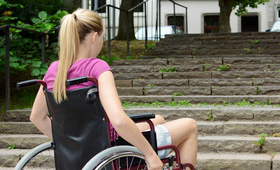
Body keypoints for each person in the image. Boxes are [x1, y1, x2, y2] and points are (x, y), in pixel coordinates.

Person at [29, 8, 197, 170]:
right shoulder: (96, 67)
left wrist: (71, 144)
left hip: (90, 145)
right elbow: (118, 121)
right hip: (111, 146)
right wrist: (150, 155)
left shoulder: (53, 70)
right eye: (103, 37)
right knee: (190, 125)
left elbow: (37, 117)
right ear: (94, 37)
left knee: (158, 119)